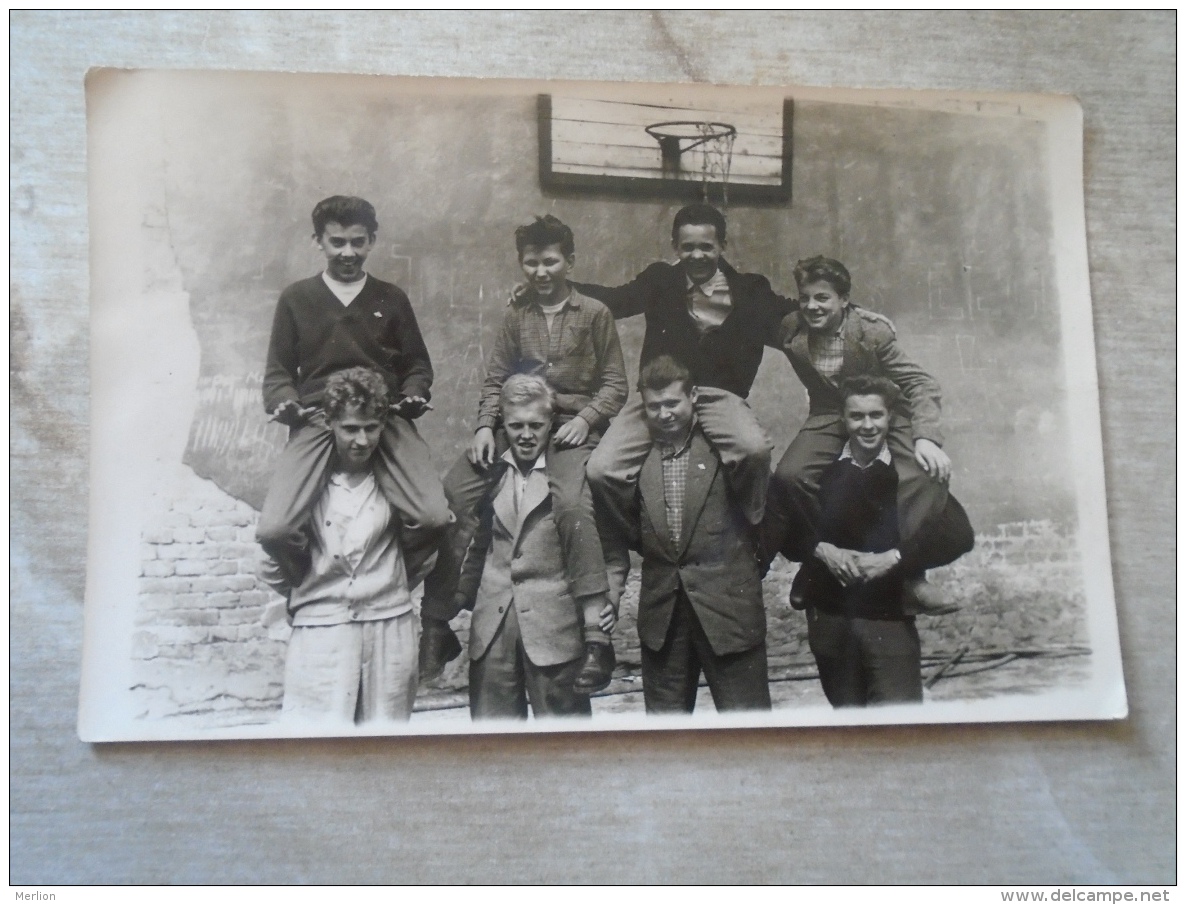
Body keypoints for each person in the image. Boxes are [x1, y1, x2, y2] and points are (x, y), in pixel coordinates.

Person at [418, 215, 628, 693]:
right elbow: (495, 379)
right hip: (518, 425)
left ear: (569, 262)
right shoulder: (516, 316)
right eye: (531, 262)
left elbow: (616, 384)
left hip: (569, 432)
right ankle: (436, 623)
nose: (541, 271)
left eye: (550, 260)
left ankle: (596, 634)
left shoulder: (595, 313)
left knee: (573, 505)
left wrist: (585, 420)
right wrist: (485, 427)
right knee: (453, 494)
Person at [257, 195, 450, 591]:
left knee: (433, 517)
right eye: (337, 242)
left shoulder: (391, 298)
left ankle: (389, 578)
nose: (348, 253)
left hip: (383, 417)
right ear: (319, 241)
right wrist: (285, 403)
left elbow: (417, 365)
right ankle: (307, 585)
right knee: (275, 530)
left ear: (372, 240)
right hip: (321, 418)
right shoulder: (297, 298)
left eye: (358, 242)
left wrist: (413, 393)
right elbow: (277, 372)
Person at [574, 202, 796, 542]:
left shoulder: (750, 289)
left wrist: (851, 313)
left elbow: (794, 314)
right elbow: (614, 301)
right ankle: (643, 536)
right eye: (688, 247)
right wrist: (558, 289)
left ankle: (753, 530)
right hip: (661, 396)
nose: (697, 255)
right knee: (602, 470)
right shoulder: (660, 280)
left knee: (754, 452)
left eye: (706, 246)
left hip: (719, 397)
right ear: (676, 247)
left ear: (723, 246)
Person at [763, 255, 955, 614]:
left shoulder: (871, 333)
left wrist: (926, 437)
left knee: (920, 473)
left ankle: (913, 574)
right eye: (805, 298)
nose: (812, 306)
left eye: (823, 298)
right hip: (828, 412)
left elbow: (921, 382)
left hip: (879, 408)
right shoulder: (791, 329)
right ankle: (817, 558)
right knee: (790, 477)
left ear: (844, 300)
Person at [780, 375, 975, 707]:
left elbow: (958, 536)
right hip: (830, 618)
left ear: (890, 419)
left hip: (888, 620)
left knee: (898, 728)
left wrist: (894, 558)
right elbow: (784, 530)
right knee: (849, 724)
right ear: (842, 420)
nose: (867, 426)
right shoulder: (820, 471)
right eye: (857, 416)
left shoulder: (908, 472)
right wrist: (821, 550)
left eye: (876, 416)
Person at [261, 367, 429, 725]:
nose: (362, 440)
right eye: (350, 429)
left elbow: (423, 550)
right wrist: (310, 588)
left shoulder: (396, 485)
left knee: (386, 748)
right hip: (322, 631)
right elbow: (273, 560)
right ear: (331, 425)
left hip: (389, 628)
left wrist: (389, 583)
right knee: (318, 748)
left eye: (371, 428)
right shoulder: (307, 486)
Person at [611, 356, 771, 714]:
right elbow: (629, 526)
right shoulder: (632, 459)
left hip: (728, 612)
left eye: (672, 403)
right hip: (663, 619)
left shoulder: (728, 449)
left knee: (749, 734)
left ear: (692, 397)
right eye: (654, 407)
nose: (665, 414)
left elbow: (762, 514)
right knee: (666, 739)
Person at [455, 374, 616, 720]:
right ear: (503, 425)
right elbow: (482, 542)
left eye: (535, 425)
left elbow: (608, 549)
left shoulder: (573, 476)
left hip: (554, 632)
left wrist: (608, 603)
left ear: (550, 423)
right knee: (492, 749)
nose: (526, 436)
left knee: (565, 749)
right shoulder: (491, 472)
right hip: (493, 630)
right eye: (516, 426)